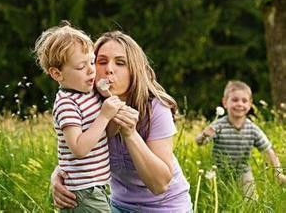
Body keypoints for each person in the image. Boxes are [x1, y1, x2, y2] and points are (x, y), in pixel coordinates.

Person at [51, 31, 193, 212]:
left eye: (120, 63)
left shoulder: (155, 108)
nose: (109, 69)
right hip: (118, 206)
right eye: (101, 61)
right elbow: (79, 148)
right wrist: (58, 176)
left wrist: (130, 133)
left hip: (165, 207)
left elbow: (160, 185)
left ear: (134, 69)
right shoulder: (88, 106)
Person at [34, 23, 125, 212]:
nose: (91, 70)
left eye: (91, 62)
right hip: (83, 192)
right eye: (81, 66)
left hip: (97, 187)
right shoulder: (66, 104)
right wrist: (104, 115)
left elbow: (106, 132)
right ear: (57, 74)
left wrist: (110, 104)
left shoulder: (88, 92)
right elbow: (79, 148)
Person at [195, 80, 286, 199]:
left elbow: (268, 151)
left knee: (251, 200)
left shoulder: (253, 129)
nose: (240, 104)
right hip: (219, 171)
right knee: (220, 199)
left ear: (250, 104)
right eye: (235, 100)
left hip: (243, 171)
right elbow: (199, 142)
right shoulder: (219, 125)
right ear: (225, 102)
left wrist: (279, 173)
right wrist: (203, 135)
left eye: (244, 101)